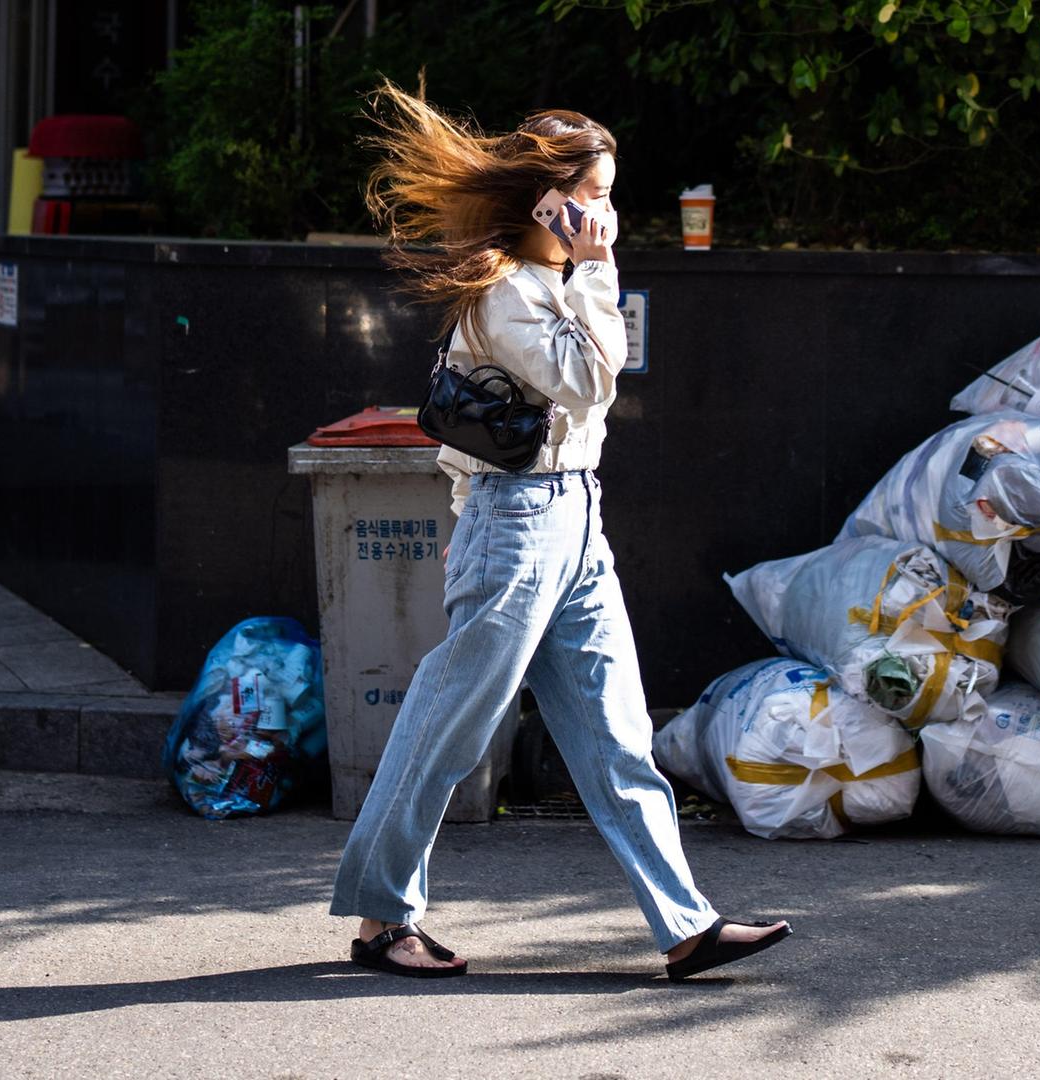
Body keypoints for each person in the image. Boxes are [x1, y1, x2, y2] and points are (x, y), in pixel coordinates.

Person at [329, 82, 791, 981]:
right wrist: (598, 269)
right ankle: (383, 922)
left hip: (577, 520)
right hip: (513, 525)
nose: (606, 214)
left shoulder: (552, 283)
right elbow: (589, 381)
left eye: (611, 196)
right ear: (549, 198)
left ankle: (686, 926)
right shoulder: (508, 293)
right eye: (595, 195)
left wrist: (583, 272)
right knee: (447, 731)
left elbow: (591, 384)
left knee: (618, 733)